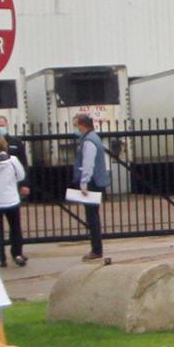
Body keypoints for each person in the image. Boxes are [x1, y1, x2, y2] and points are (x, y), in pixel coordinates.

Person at [70, 111, 110, 261]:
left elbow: (88, 163)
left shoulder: (88, 141)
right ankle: (96, 248)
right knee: (93, 216)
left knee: (92, 217)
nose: (75, 128)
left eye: (75, 125)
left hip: (92, 182)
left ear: (82, 125)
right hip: (95, 181)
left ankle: (96, 249)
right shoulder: (93, 138)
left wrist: (84, 182)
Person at [0, 132, 27, 266]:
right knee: (15, 228)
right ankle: (17, 254)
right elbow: (21, 176)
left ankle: (0, 257)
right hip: (11, 199)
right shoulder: (13, 160)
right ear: (5, 146)